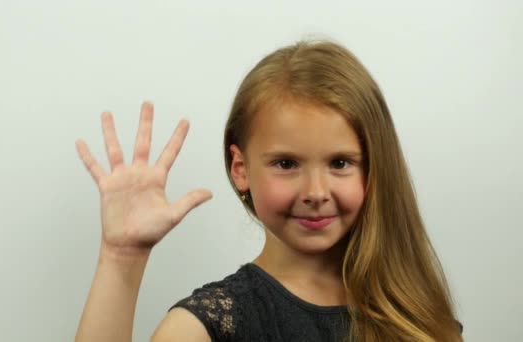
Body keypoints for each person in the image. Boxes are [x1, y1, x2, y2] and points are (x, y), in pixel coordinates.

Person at [74, 40, 463, 341]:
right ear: (241, 169)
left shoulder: (415, 312)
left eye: (340, 163)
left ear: (374, 166)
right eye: (286, 164)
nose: (315, 191)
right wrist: (121, 259)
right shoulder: (210, 324)